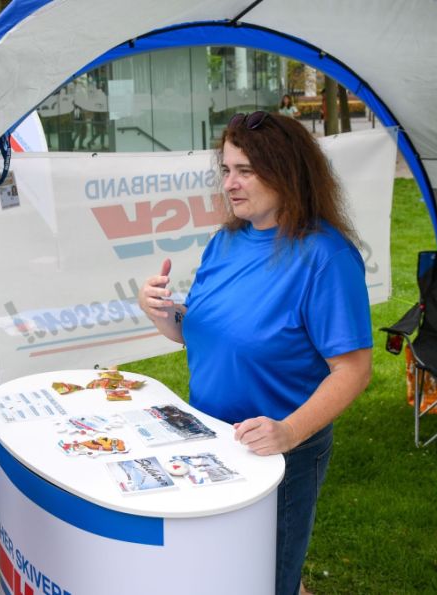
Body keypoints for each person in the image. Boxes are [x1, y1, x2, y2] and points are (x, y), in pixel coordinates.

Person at [138, 111, 372, 595]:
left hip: (279, 455)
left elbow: (352, 369)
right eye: (226, 170)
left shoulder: (325, 257)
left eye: (245, 170)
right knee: (219, 573)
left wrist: (288, 431)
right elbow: (202, 331)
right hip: (209, 440)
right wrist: (165, 315)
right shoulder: (226, 241)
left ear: (286, 171)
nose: (230, 183)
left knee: (267, 579)